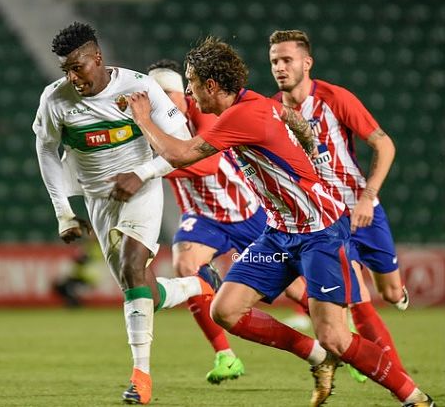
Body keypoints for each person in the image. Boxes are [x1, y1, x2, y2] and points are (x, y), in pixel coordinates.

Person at [127, 37, 434, 407]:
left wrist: (143, 119)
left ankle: (414, 397)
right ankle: (318, 356)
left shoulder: (240, 116)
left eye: (192, 85)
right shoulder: (255, 102)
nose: (190, 96)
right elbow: (294, 119)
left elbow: (179, 155)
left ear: (211, 85)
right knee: (225, 310)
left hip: (319, 233)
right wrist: (312, 151)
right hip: (279, 235)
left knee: (336, 334)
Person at [33, 22, 220, 405]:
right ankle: (198, 285)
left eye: (78, 66)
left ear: (97, 57)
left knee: (134, 266)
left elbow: (184, 146)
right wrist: (64, 212)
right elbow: (47, 151)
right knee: (143, 291)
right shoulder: (55, 100)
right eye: (65, 70)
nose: (73, 77)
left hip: (142, 191)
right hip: (98, 201)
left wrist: (142, 173)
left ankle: (141, 378)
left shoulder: (141, 88)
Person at [269, 29, 413, 383]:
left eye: (287, 60)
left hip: (364, 209)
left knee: (390, 293)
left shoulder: (335, 98)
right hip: (326, 220)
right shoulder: (273, 110)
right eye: (274, 61)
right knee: (359, 300)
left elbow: (385, 145)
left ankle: (395, 296)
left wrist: (367, 197)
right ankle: (399, 380)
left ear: (307, 62)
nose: (280, 68)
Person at [148, 59, 267, 384]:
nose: (163, 101)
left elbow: (208, 165)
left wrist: (150, 168)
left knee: (298, 289)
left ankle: (341, 340)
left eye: (168, 93)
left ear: (181, 95)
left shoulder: (202, 113)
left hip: (246, 212)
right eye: (155, 94)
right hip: (202, 217)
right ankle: (226, 356)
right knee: (185, 264)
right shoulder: (152, 125)